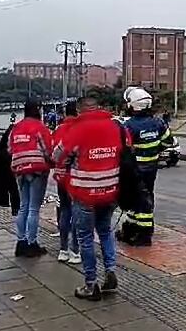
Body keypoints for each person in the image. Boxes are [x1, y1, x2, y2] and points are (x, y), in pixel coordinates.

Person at [53, 97, 123, 301]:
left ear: (80, 110)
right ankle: (110, 271)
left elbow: (58, 155)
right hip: (111, 190)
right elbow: (127, 150)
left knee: (85, 238)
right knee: (105, 231)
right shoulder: (115, 126)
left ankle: (91, 285)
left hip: (84, 193)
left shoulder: (77, 129)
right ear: (99, 107)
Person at [117, 87, 172, 246]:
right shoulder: (159, 123)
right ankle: (131, 229)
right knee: (143, 198)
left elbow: (124, 149)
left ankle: (143, 235)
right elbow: (169, 142)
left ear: (133, 105)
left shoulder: (128, 126)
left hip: (134, 170)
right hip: (151, 168)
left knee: (139, 201)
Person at [9, 100, 53, 257]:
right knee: (34, 208)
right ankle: (32, 243)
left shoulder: (16, 128)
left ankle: (20, 242)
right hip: (36, 170)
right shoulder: (40, 127)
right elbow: (48, 150)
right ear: (38, 110)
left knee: (23, 206)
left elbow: (10, 148)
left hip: (19, 169)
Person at [52, 101, 81, 264]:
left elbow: (52, 151)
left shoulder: (59, 129)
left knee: (64, 210)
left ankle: (63, 250)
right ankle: (75, 251)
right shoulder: (80, 129)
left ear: (64, 113)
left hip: (61, 177)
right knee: (77, 212)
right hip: (76, 177)